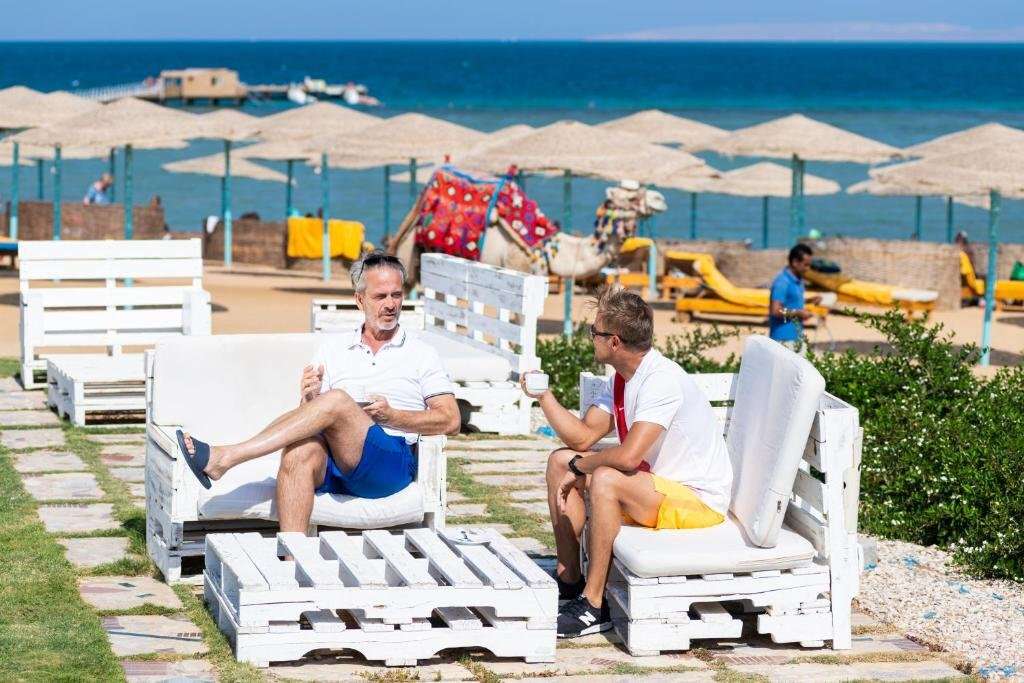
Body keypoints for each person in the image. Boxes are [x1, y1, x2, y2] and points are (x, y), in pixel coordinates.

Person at [176, 252, 461, 533]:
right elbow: (311, 418)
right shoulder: (333, 349)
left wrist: (393, 416)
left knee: (337, 400)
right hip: (337, 458)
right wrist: (309, 399)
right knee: (298, 453)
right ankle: (292, 557)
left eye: (396, 295)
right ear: (360, 299)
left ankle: (227, 456)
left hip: (389, 462)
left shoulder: (421, 353)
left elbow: (451, 420)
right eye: (380, 296)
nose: (390, 304)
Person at [521, 287, 733, 638]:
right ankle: (570, 580)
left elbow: (629, 456)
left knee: (604, 476)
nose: (591, 337)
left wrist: (581, 468)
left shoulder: (660, 380)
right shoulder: (623, 378)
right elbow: (582, 438)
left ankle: (594, 603)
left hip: (697, 500)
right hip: (656, 488)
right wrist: (543, 396)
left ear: (614, 342)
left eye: (594, 332)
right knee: (560, 460)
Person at [768, 244, 822, 351]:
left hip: (797, 338)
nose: (808, 268)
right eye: (806, 265)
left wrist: (810, 300)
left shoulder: (798, 280)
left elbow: (791, 300)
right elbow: (775, 310)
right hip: (783, 339)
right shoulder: (782, 282)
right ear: (795, 262)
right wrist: (798, 313)